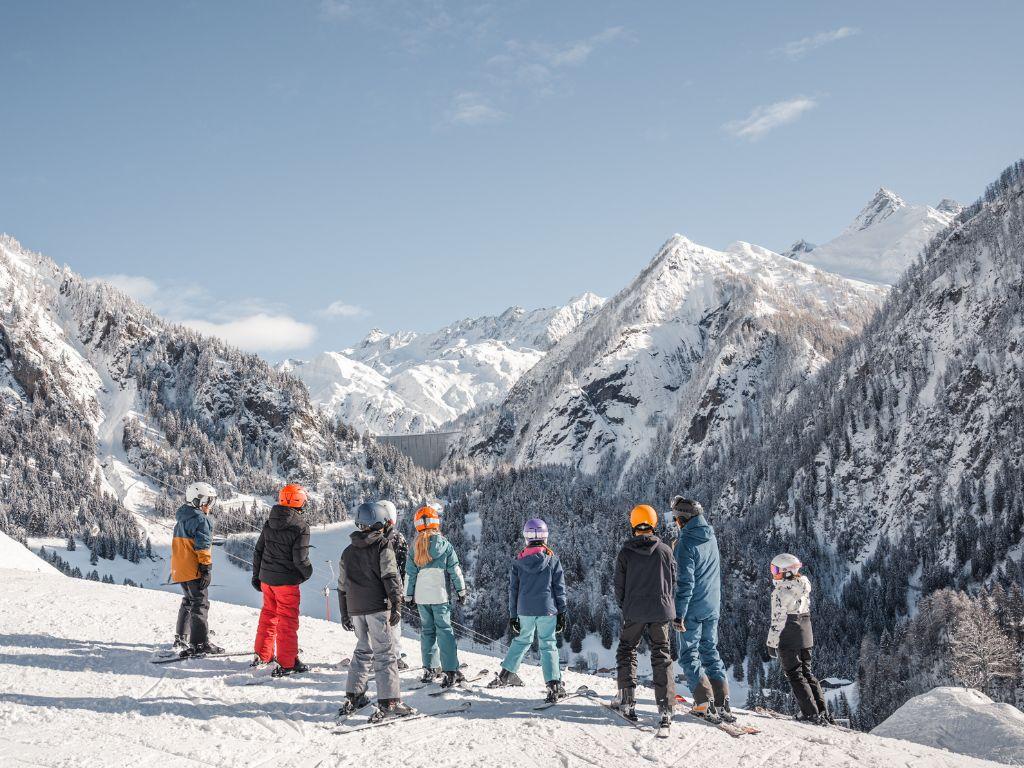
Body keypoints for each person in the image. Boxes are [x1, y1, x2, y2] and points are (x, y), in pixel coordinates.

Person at [337, 501, 412, 720]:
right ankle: (390, 702)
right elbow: (390, 576)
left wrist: (344, 612)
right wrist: (397, 604)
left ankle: (354, 695)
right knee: (385, 654)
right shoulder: (382, 545)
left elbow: (342, 586)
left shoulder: (347, 551)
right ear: (380, 522)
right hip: (378, 607)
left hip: (356, 609)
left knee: (362, 651)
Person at [488, 518, 567, 703]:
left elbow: (513, 591)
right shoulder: (552, 560)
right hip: (548, 609)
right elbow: (559, 588)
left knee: (522, 640)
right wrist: (562, 612)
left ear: (526, 537)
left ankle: (506, 674)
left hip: (524, 609)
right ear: (545, 537)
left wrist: (513, 614)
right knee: (548, 644)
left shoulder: (518, 562)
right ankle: (554, 685)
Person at [671, 496, 732, 723]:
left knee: (689, 654)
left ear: (684, 520)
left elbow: (686, 583)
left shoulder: (686, 543)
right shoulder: (710, 536)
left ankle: (704, 703)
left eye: (677, 519)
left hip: (693, 607)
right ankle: (723, 702)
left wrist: (679, 614)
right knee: (710, 651)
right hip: (712, 604)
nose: (676, 523)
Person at [614, 504, 675, 729]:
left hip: (634, 611)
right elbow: (672, 582)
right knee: (661, 654)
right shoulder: (665, 550)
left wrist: (626, 606)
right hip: (660, 610)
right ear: (653, 523)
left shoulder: (626, 552)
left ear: (633, 524)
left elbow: (618, 587)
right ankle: (666, 708)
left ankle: (628, 701)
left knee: (627, 650)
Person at [250, 483, 313, 676]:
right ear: (299, 501)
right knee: (287, 620)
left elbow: (259, 550)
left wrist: (257, 576)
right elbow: (300, 559)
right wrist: (306, 573)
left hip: (267, 579)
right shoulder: (300, 526)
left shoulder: (270, 521)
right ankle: (287, 662)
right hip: (286, 582)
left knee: (268, 615)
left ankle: (263, 654)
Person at [404, 505, 467, 688]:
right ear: (436, 522)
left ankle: (430, 669)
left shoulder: (415, 547)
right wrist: (461, 591)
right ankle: (450, 670)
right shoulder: (445, 545)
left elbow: (410, 575)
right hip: (440, 596)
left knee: (427, 632)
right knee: (445, 631)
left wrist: (407, 597)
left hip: (422, 598)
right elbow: (455, 570)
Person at [767, 553, 832, 725]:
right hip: (806, 632)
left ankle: (810, 714)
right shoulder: (802, 585)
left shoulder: (780, 592)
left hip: (789, 635)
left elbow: (778, 620)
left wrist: (771, 643)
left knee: (795, 675)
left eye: (775, 570)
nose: (773, 574)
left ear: (787, 571)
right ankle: (822, 712)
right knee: (808, 673)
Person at [170, 481, 222, 657]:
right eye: (207, 501)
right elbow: (203, 546)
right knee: (200, 603)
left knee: (188, 601)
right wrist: (206, 568)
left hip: (180, 568)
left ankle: (181, 635)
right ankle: (199, 643)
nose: (209, 506)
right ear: (197, 500)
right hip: (193, 569)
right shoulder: (202, 520)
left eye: (211, 501)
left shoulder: (183, 517)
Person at [381, 500, 410, 670]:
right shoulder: (397, 538)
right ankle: (396, 656)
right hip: (392, 587)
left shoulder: (370, 536)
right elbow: (404, 567)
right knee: (394, 623)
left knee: (375, 623)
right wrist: (405, 591)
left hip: (372, 588)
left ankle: (375, 655)